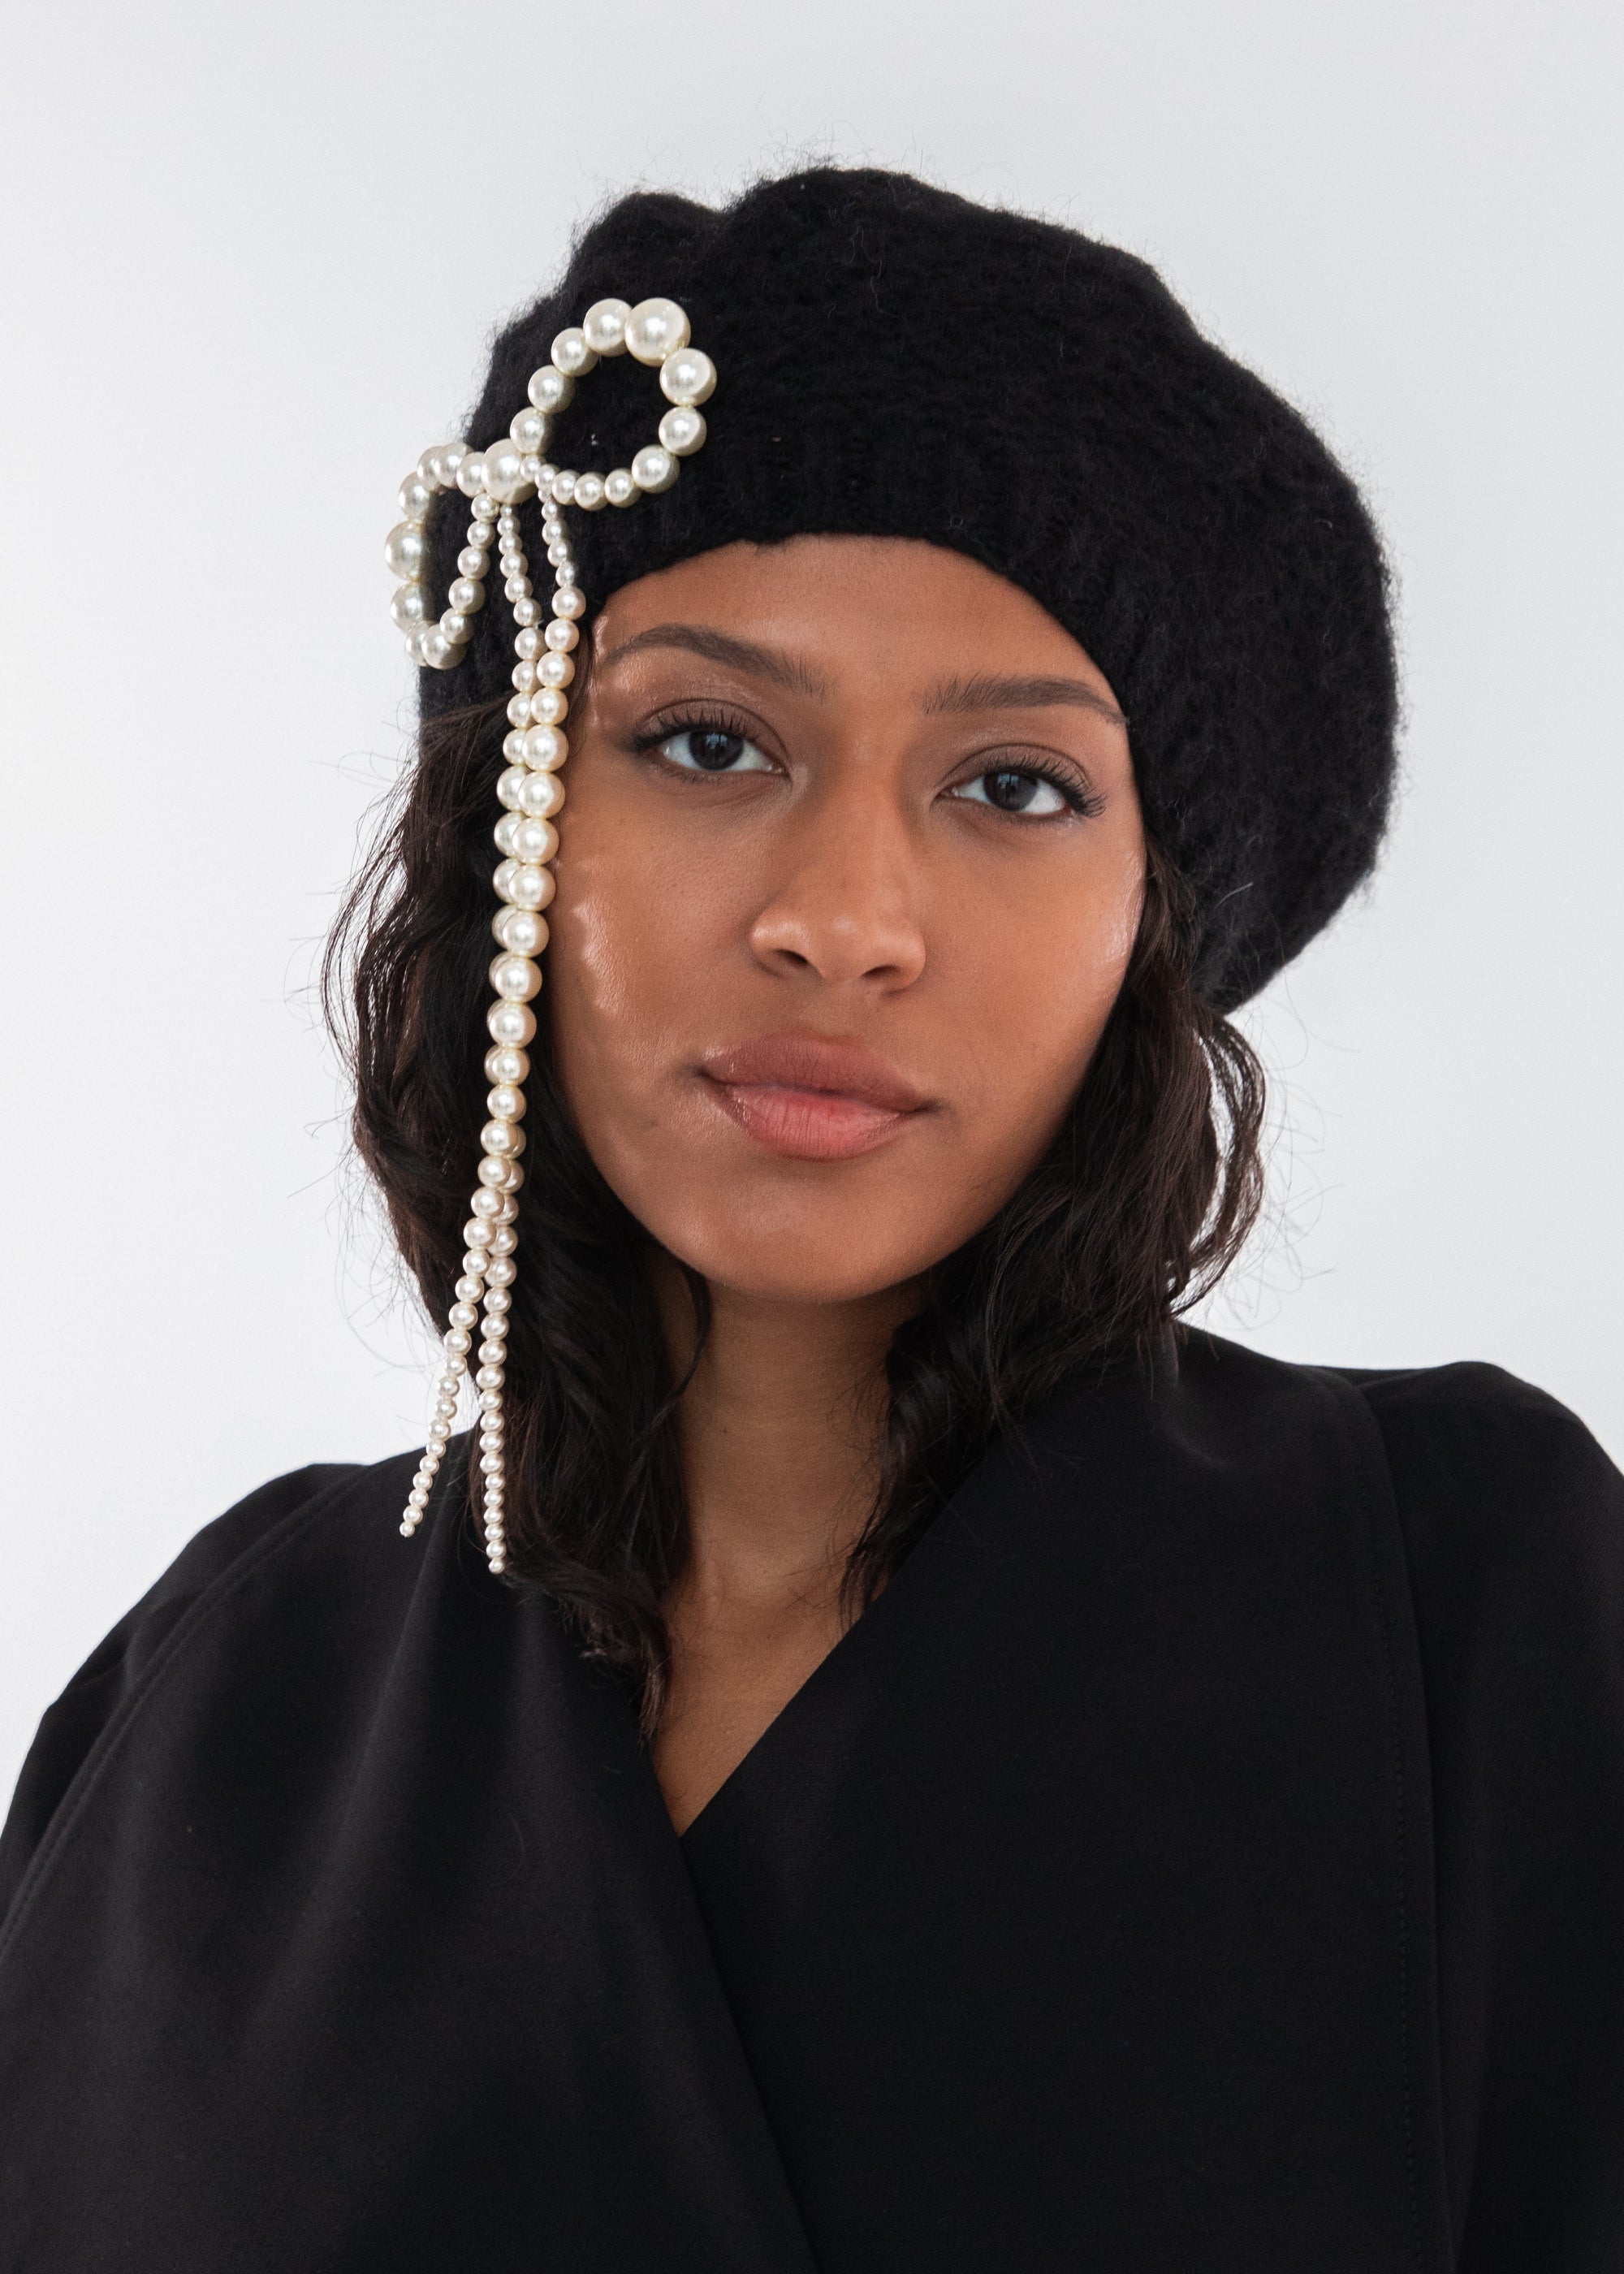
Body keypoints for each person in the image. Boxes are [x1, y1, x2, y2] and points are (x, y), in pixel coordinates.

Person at [1, 166, 1619, 2272]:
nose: (841, 919)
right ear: (515, 828)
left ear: (1153, 930)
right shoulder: (224, 1689)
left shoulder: (1460, 1596)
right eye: (706, 741)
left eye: (1015, 787)